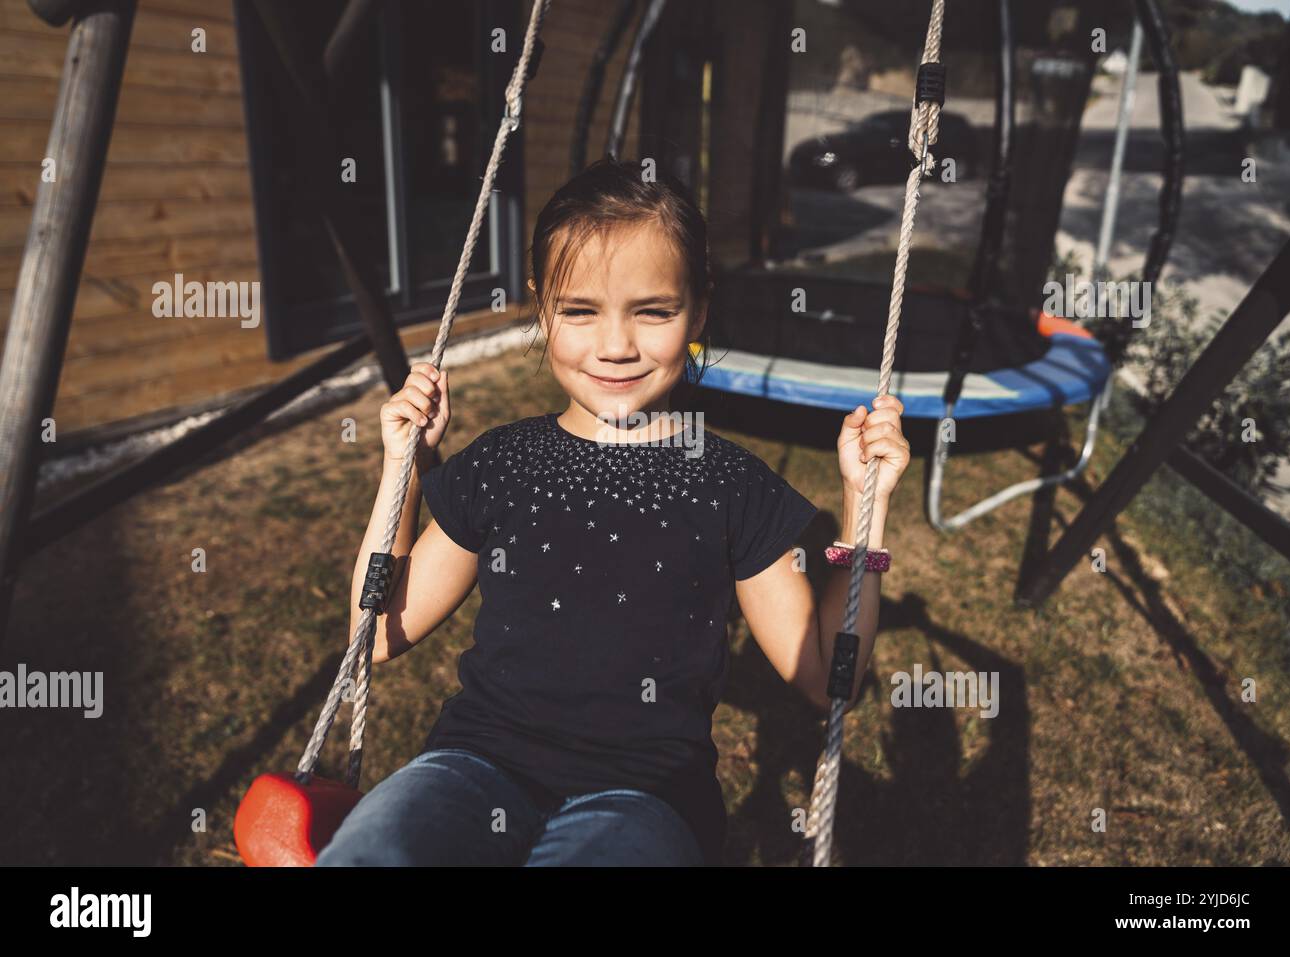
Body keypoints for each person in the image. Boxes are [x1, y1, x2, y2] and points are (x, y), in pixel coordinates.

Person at [315, 157, 909, 867]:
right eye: (580, 310)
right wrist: (402, 467)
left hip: (642, 797)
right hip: (472, 766)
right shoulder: (505, 463)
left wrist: (862, 508)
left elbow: (821, 674)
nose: (617, 345)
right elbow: (373, 637)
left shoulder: (729, 486)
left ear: (699, 307)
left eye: (653, 310)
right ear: (543, 308)